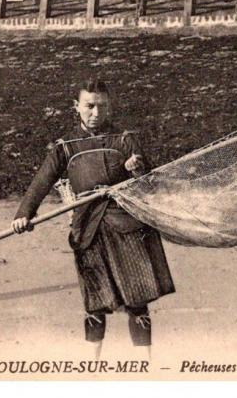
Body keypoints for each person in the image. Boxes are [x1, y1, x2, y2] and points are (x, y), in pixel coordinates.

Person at [11, 79, 175, 359]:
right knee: (95, 302)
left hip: (128, 229)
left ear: (109, 107)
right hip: (87, 230)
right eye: (89, 106)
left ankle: (145, 369)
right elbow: (41, 181)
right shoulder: (65, 147)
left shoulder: (124, 140)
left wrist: (136, 170)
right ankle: (91, 368)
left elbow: (150, 184)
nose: (95, 113)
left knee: (137, 300)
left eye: (101, 106)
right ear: (77, 107)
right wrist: (23, 214)